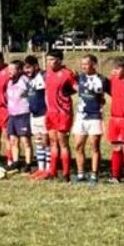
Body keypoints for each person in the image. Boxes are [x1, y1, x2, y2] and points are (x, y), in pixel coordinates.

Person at [42, 49, 78, 182]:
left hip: (62, 112)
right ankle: (52, 171)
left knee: (63, 143)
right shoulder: (47, 73)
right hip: (50, 112)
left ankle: (66, 173)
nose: (49, 62)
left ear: (59, 60)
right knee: (52, 142)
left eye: (52, 59)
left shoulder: (67, 74)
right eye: (48, 60)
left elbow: (77, 88)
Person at [72, 54, 106, 185]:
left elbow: (110, 93)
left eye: (86, 63)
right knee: (78, 146)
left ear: (94, 64)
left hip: (95, 117)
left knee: (94, 147)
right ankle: (80, 174)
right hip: (81, 117)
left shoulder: (102, 79)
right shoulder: (79, 77)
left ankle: (94, 175)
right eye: (82, 64)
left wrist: (101, 100)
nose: (83, 66)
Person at [106, 56, 124, 184]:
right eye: (114, 69)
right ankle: (115, 175)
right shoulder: (113, 79)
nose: (115, 71)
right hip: (114, 118)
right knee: (116, 147)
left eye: (118, 68)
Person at [4, 59, 33, 172]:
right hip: (12, 115)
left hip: (23, 114)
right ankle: (16, 162)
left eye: (12, 69)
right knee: (13, 140)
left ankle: (28, 163)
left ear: (20, 70)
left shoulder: (25, 80)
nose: (9, 71)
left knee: (25, 140)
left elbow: (32, 94)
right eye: (9, 69)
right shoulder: (10, 82)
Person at [24, 55, 50, 175]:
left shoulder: (43, 76)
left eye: (29, 68)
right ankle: (41, 167)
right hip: (33, 115)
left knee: (46, 141)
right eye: (25, 68)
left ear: (36, 66)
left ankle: (49, 168)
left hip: (43, 114)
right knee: (38, 141)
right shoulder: (30, 79)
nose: (27, 71)